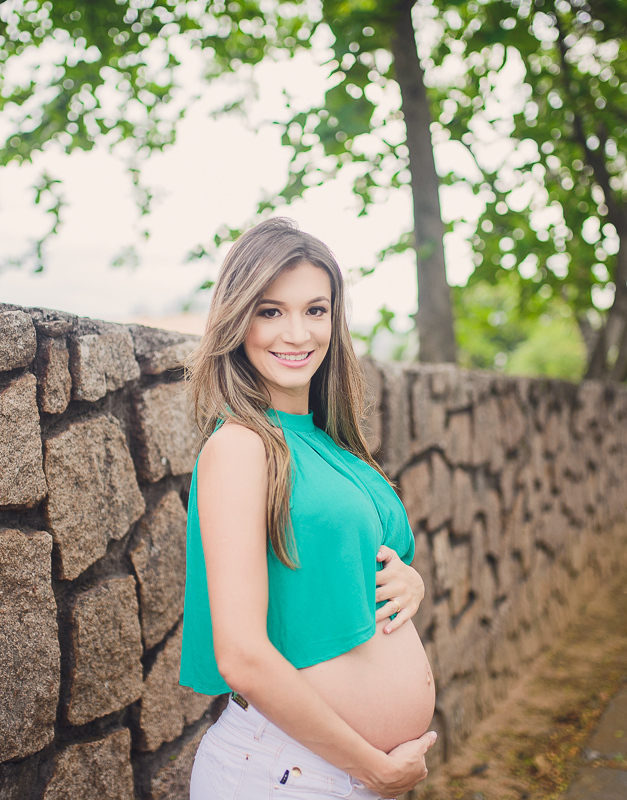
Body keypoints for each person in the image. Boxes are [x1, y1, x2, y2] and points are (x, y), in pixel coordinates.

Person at [180, 218, 438, 799]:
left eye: (315, 310)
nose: (297, 333)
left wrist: (408, 583)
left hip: (331, 772)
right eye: (270, 311)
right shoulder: (242, 446)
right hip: (287, 770)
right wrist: (372, 767)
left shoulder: (327, 442)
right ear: (237, 319)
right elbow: (242, 655)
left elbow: (346, 562)